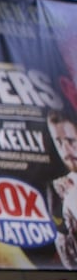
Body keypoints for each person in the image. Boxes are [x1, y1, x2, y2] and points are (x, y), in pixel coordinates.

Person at [49, 110, 77, 268]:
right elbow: (69, 262)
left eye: (71, 141)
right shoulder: (59, 188)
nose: (66, 152)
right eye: (59, 143)